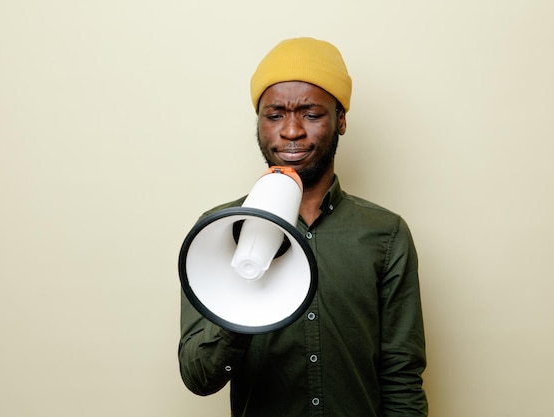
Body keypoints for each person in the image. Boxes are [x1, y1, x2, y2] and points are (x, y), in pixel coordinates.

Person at [178, 37, 428, 416]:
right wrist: (241, 293)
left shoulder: (386, 234)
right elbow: (199, 378)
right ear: (259, 122)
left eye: (311, 114)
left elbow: (402, 376)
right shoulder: (217, 232)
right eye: (274, 115)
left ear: (341, 120)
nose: (291, 131)